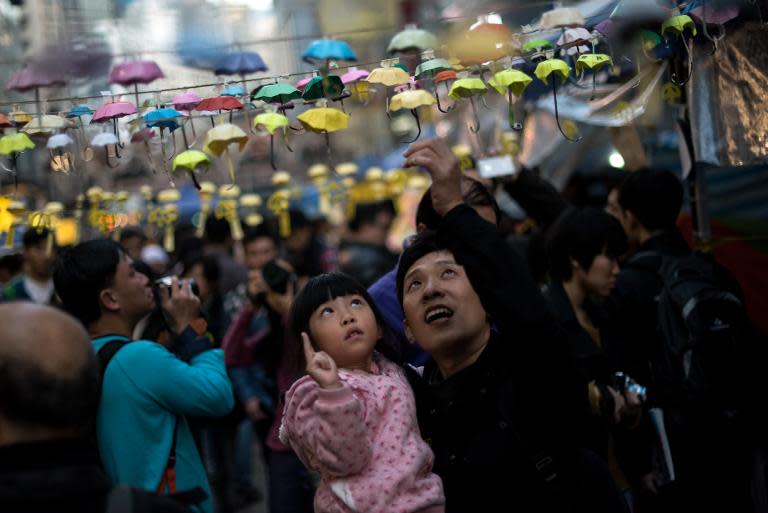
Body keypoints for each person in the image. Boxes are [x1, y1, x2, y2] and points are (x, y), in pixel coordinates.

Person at [395, 139, 626, 513]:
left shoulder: (533, 372)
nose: (431, 289)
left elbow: (526, 307)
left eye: (449, 274)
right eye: (415, 284)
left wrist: (455, 208)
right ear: (407, 329)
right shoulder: (411, 411)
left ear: (489, 303)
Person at [609, 169, 754, 512]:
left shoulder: (626, 286)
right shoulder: (712, 271)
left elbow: (628, 377)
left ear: (630, 217)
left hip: (671, 450)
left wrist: (639, 464)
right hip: (730, 437)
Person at [53, 239, 234, 513]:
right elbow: (217, 396)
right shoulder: (138, 358)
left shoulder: (78, 354)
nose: (146, 279)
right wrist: (190, 327)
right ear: (110, 299)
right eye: (132, 273)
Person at [280, 272, 445, 513]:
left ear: (378, 327)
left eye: (356, 303)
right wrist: (333, 392)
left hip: (422, 501)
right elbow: (346, 461)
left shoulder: (390, 370)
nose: (347, 317)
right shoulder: (315, 393)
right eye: (327, 311)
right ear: (310, 344)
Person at [544, 207, 656, 507]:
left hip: (623, 478)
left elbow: (635, 380)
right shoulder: (546, 321)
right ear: (575, 259)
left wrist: (635, 403)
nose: (617, 269)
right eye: (609, 256)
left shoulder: (606, 314)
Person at [2, 228, 57, 305]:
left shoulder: (63, 290)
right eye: (38, 248)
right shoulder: (11, 293)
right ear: (25, 251)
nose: (46, 256)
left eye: (50, 248)